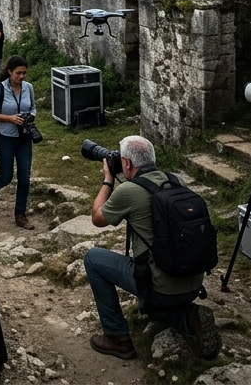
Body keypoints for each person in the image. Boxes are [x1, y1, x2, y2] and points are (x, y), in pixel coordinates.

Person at [84, 135, 219, 361]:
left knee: (93, 259)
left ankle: (117, 338)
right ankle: (189, 318)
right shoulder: (174, 181)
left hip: (160, 285)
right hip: (192, 280)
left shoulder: (128, 191)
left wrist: (108, 179)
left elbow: (97, 218)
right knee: (150, 307)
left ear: (126, 163)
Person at [0, 55, 36, 229]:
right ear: (10, 72)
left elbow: (33, 107)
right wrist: (10, 119)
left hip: (24, 138)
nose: (21, 77)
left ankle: (20, 214)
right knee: (6, 176)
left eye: (24, 73)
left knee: (25, 177)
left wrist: (30, 116)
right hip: (4, 137)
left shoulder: (28, 88)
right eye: (18, 73)